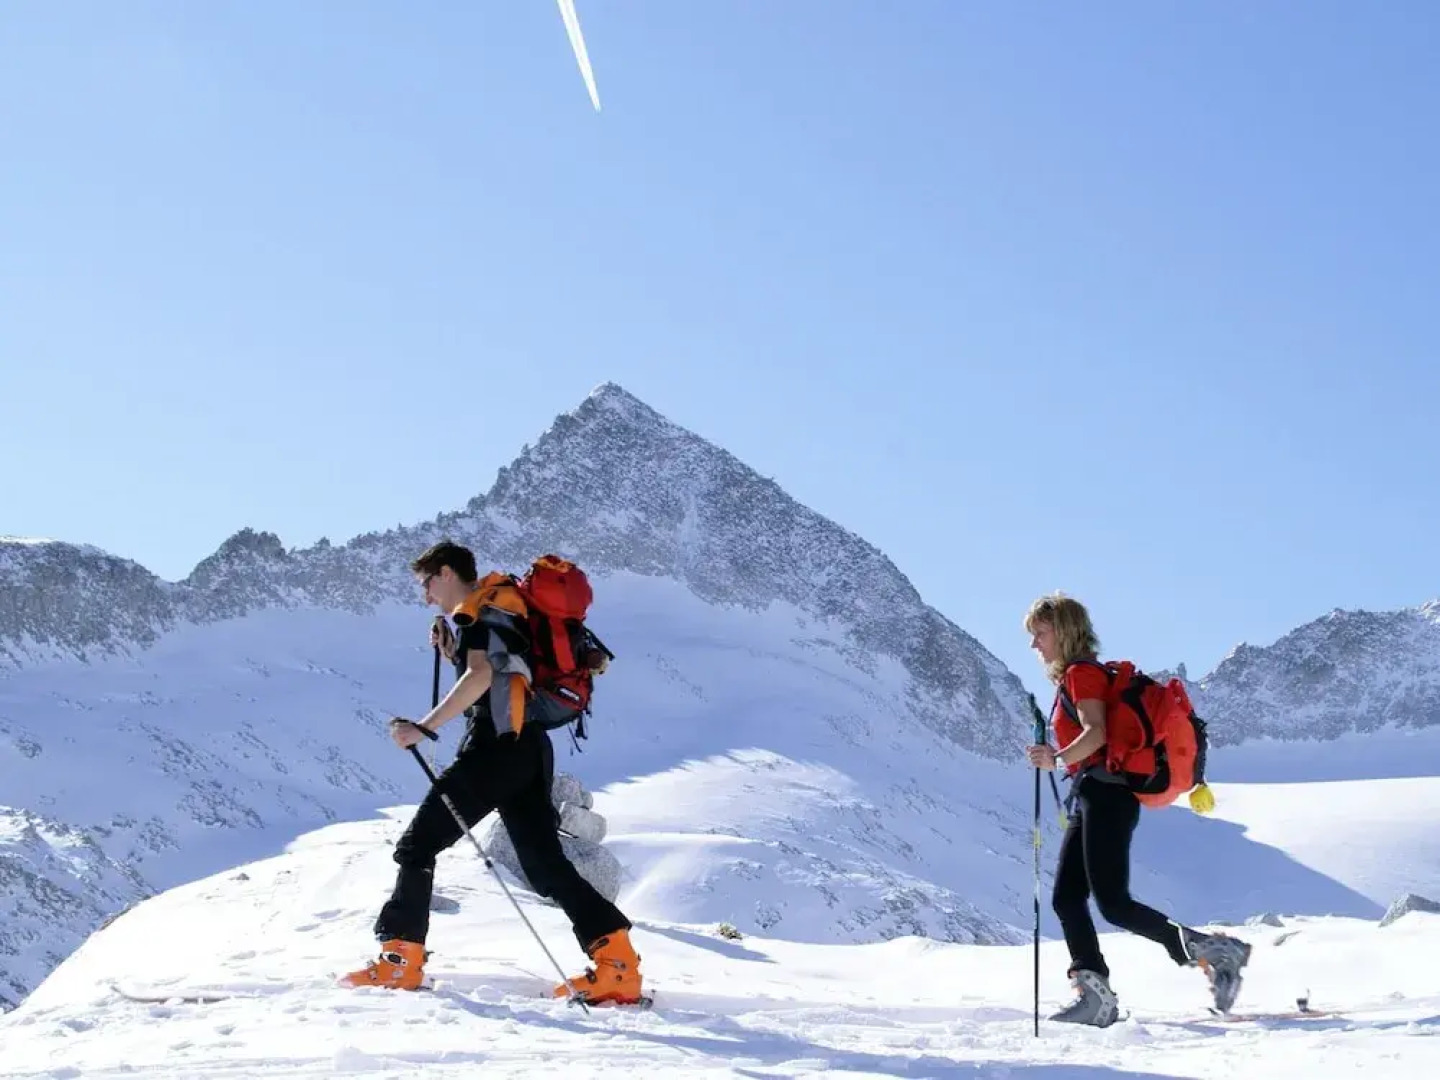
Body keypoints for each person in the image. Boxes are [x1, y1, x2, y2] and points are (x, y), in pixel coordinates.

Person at [340, 541, 644, 1005]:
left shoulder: (480, 609)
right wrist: (452, 651)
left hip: (495, 750)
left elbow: (481, 677)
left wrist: (424, 727)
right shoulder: (500, 607)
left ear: (445, 573)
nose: (425, 596)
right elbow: (502, 676)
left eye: (426, 583)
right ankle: (617, 967)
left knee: (418, 846)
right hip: (528, 748)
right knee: (546, 864)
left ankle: (399, 963)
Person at [1023, 592, 1249, 1026]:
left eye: (1041, 633)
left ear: (1064, 631)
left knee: (1113, 903)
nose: (1035, 644)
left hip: (1106, 794)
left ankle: (1216, 951)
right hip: (1094, 793)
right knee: (1067, 897)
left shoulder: (1081, 674)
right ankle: (1095, 997)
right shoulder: (1078, 676)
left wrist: (1056, 756)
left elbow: (1096, 733)